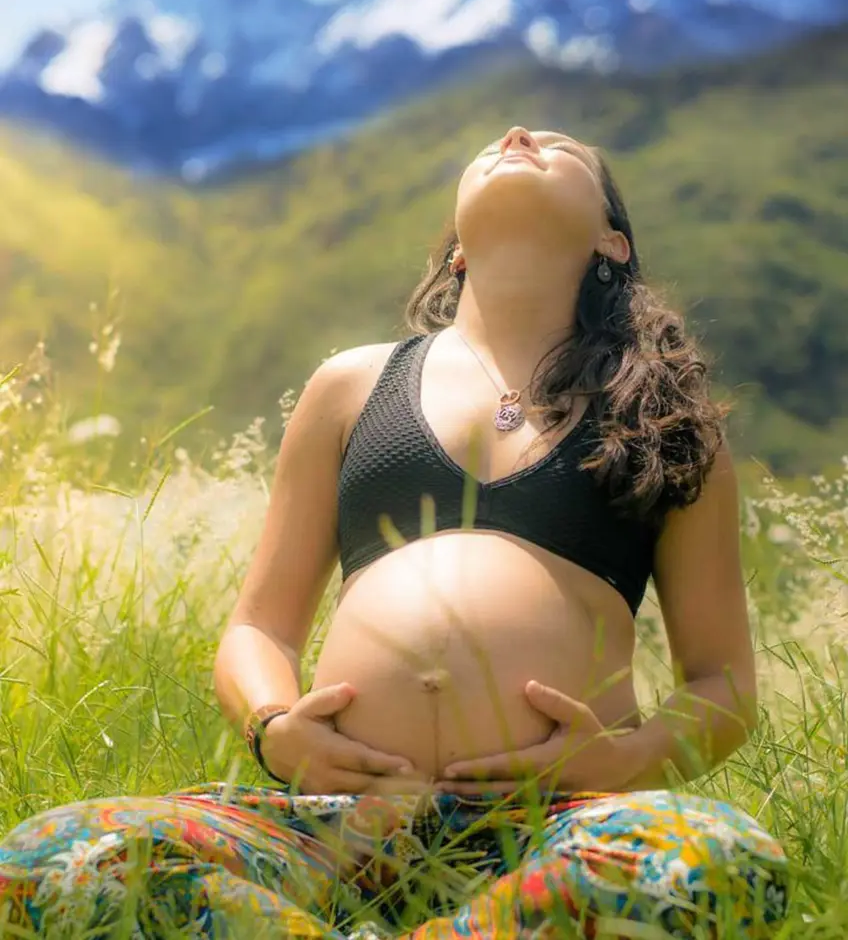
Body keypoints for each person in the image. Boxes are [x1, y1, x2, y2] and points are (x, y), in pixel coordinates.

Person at [0, 127, 789, 937]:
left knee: (717, 861)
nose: (519, 134)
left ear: (610, 242)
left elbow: (721, 683)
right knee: (51, 857)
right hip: (338, 825)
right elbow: (259, 627)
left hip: (558, 822)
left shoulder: (659, 418)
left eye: (561, 147)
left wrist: (621, 762)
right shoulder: (353, 386)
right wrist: (276, 730)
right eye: (502, 140)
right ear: (455, 254)